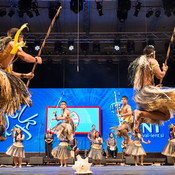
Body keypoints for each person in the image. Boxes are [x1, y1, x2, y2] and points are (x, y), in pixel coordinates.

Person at [0, 24, 42, 119]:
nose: (22, 39)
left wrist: (25, 75)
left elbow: (10, 73)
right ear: (19, 37)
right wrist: (36, 59)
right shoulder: (12, 43)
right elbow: (23, 56)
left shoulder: (7, 51)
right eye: (22, 37)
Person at [128, 45, 175, 129]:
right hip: (147, 92)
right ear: (153, 54)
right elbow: (160, 76)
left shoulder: (142, 64)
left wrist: (154, 88)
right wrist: (164, 70)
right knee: (166, 116)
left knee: (157, 117)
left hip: (141, 94)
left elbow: (146, 81)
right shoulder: (152, 61)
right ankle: (140, 114)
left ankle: (140, 120)